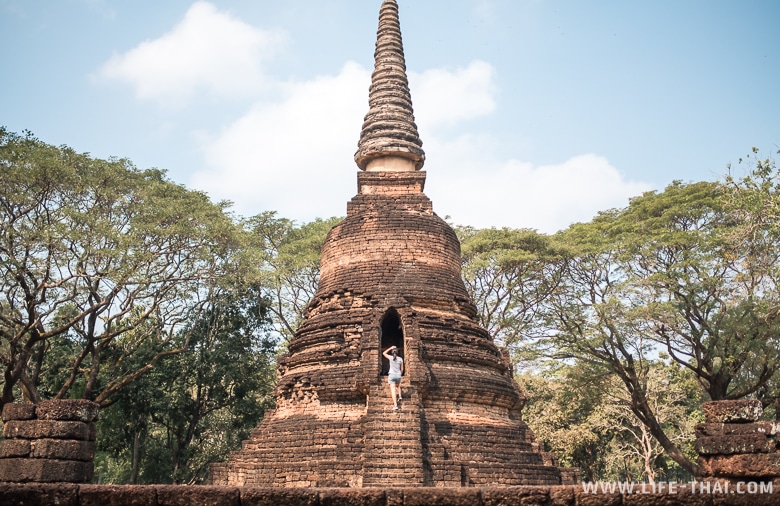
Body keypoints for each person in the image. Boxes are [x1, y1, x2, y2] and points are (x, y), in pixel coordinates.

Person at [382, 345, 404, 410]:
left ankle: (395, 405)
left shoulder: (391, 357)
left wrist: (390, 348)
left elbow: (384, 353)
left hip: (392, 375)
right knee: (398, 386)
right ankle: (400, 396)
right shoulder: (400, 359)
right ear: (397, 353)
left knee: (393, 391)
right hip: (398, 376)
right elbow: (402, 369)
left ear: (392, 353)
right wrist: (400, 374)